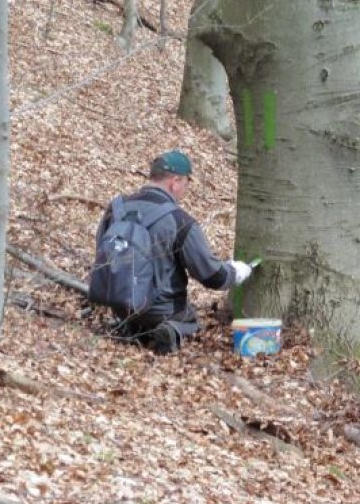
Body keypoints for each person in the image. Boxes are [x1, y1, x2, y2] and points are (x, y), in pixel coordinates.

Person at [92, 150, 253, 354]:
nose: (184, 190)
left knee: (137, 308)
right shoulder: (179, 221)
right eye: (186, 184)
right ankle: (171, 329)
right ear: (175, 181)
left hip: (116, 299)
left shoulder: (116, 209)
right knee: (190, 319)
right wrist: (235, 272)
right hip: (160, 310)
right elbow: (211, 275)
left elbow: (101, 251)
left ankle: (130, 324)